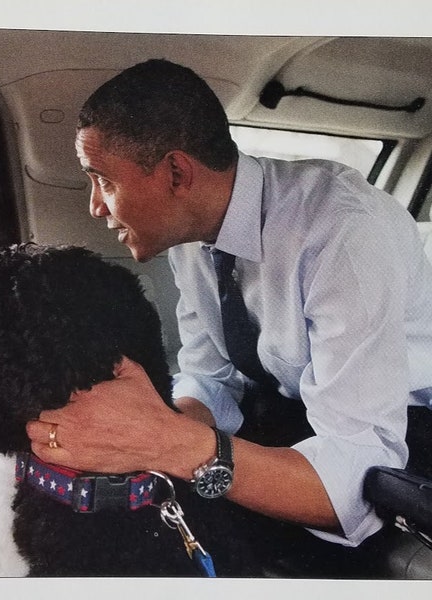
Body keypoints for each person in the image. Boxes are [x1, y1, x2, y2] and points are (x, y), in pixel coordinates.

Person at [26, 59, 432, 569]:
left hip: (405, 434)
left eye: (103, 181)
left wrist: (170, 442)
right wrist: (148, 424)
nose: (95, 208)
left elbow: (357, 475)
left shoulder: (345, 233)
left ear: (177, 172)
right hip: (297, 412)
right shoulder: (189, 232)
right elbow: (212, 374)